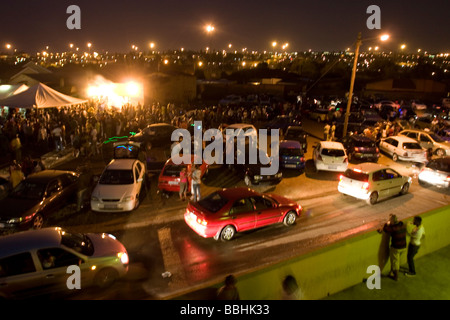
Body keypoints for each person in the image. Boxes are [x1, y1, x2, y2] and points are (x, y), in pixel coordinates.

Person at [383, 214, 407, 281]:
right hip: (404, 246)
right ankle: (392, 272)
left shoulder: (393, 228)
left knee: (395, 262)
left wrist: (387, 224)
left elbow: (386, 229)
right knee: (396, 261)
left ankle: (396, 277)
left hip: (396, 247)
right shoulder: (402, 225)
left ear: (392, 221)